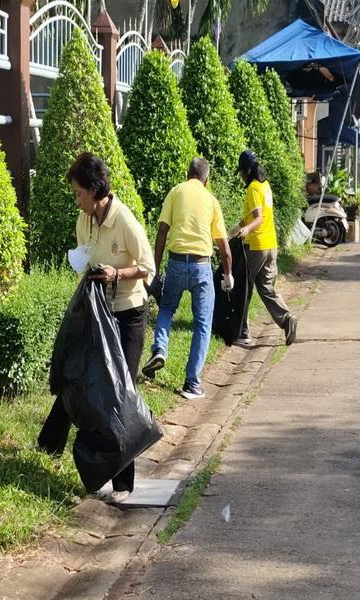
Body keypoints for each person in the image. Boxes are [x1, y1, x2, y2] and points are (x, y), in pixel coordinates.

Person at [38, 152, 156, 504]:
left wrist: (117, 273)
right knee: (84, 382)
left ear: (94, 189)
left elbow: (148, 266)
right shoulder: (84, 219)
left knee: (121, 395)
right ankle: (59, 449)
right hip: (99, 313)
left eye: (78, 192)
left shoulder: (125, 221)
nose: (76, 199)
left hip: (129, 313)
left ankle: (123, 484)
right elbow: (86, 253)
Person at [142, 157, 233, 400]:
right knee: (203, 324)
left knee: (167, 308)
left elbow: (162, 229)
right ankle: (192, 383)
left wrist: (155, 265)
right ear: (207, 179)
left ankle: (160, 348)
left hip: (176, 262)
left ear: (187, 174)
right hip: (202, 266)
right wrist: (228, 274)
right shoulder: (211, 200)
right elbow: (224, 246)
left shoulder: (175, 192)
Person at [230, 149, 297, 348]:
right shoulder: (265, 186)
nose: (241, 176)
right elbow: (254, 216)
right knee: (266, 288)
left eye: (242, 172)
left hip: (256, 245)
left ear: (248, 170)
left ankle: (242, 332)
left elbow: (257, 219)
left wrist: (245, 230)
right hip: (271, 245)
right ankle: (287, 319)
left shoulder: (252, 188)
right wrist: (234, 229)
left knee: (243, 287)